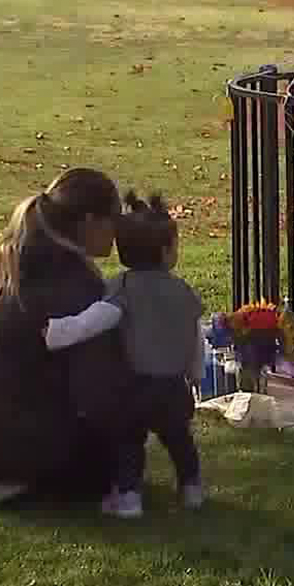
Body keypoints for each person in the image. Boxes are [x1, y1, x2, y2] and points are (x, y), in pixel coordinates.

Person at [0, 168, 135, 512]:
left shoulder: (3, 260)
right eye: (113, 220)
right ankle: (23, 480)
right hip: (10, 440)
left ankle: (12, 470)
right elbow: (97, 385)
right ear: (88, 221)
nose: (117, 232)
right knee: (117, 461)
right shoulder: (72, 283)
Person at [44, 192, 208, 518]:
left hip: (135, 387)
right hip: (174, 386)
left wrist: (58, 332)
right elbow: (196, 338)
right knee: (179, 440)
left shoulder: (123, 288)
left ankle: (129, 498)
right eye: (175, 245)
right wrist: (196, 373)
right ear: (164, 253)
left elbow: (95, 320)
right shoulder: (184, 292)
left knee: (129, 443)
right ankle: (191, 488)